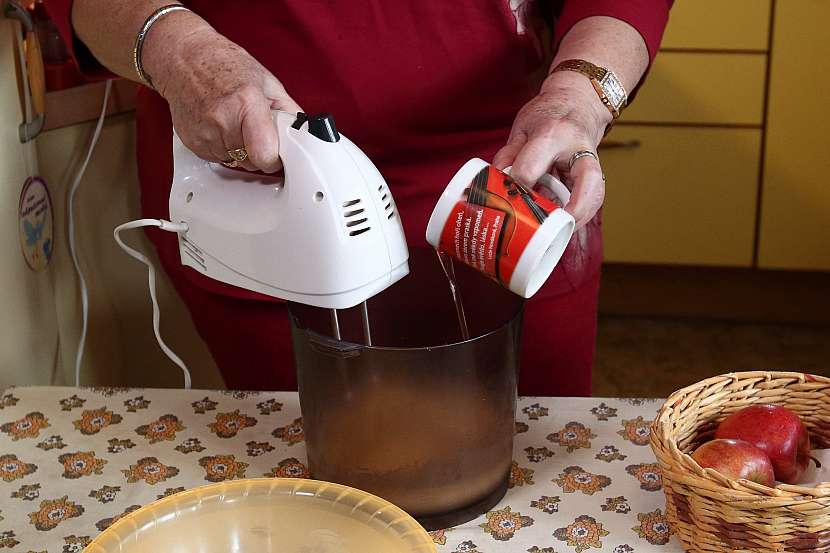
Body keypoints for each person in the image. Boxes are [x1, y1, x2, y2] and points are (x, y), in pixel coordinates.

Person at [47, 0, 671, 396]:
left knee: (537, 466)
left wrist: (581, 94)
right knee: (313, 473)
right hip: (262, 182)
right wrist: (181, 50)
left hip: (507, 180)